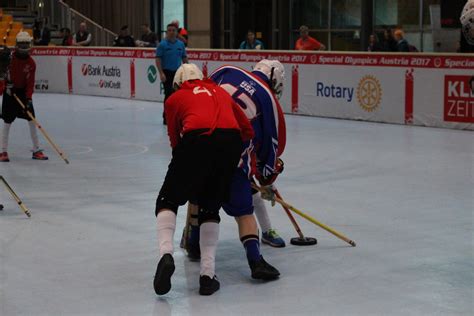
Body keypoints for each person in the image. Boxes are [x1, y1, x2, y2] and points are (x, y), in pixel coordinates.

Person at [153, 63, 254, 296]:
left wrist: (187, 170)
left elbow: (175, 140)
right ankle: (207, 276)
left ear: (178, 83)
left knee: (167, 200)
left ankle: (166, 254)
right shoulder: (220, 92)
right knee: (210, 208)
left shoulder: (174, 98)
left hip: (197, 139)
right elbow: (247, 130)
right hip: (231, 143)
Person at [185, 59, 288, 279]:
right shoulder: (268, 98)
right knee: (243, 212)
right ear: (274, 81)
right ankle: (255, 261)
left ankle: (194, 243)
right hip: (233, 154)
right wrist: (268, 175)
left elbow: (201, 96)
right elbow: (270, 147)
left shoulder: (226, 70)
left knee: (200, 198)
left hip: (199, 141)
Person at [0, 34, 48, 162]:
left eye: (26, 44)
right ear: (17, 44)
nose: (24, 47)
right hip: (9, 93)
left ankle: (36, 150)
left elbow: (30, 83)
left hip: (22, 93)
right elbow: (2, 75)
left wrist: (28, 99)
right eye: (21, 44)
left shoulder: (31, 63)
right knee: (7, 121)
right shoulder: (8, 58)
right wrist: (5, 84)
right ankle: (3, 152)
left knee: (32, 119)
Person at [156, 23, 188, 125]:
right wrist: (161, 73)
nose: (171, 32)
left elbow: (184, 58)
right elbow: (158, 59)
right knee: (169, 96)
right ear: (166, 32)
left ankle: (177, 117)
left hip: (178, 73)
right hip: (167, 73)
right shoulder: (162, 45)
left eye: (173, 30)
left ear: (176, 32)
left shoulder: (180, 44)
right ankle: (166, 117)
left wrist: (187, 70)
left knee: (178, 96)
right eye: (169, 30)